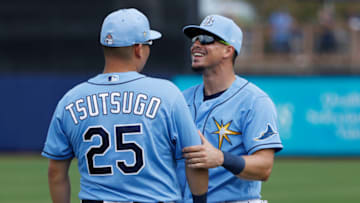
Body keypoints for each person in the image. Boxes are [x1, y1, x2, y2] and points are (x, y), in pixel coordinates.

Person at [41, 8, 208, 203]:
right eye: (148, 44)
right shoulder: (167, 94)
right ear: (138, 48)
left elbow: (55, 173)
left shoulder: (71, 100)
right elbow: (196, 160)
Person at [177, 15, 283, 202]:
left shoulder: (254, 101)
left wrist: (220, 158)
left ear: (228, 50)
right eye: (195, 39)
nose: (196, 45)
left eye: (207, 39)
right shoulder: (180, 99)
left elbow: (264, 167)